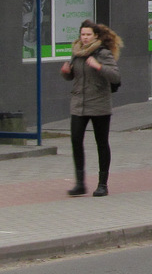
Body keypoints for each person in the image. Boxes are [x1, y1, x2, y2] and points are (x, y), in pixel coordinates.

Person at [60, 20, 122, 196]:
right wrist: (66, 72)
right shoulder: (77, 53)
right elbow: (73, 76)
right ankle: (80, 183)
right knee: (76, 140)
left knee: (101, 143)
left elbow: (116, 76)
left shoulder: (103, 53)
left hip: (99, 104)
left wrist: (99, 66)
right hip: (79, 103)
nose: (85, 38)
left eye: (88, 35)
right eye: (82, 34)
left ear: (95, 36)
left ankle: (103, 184)